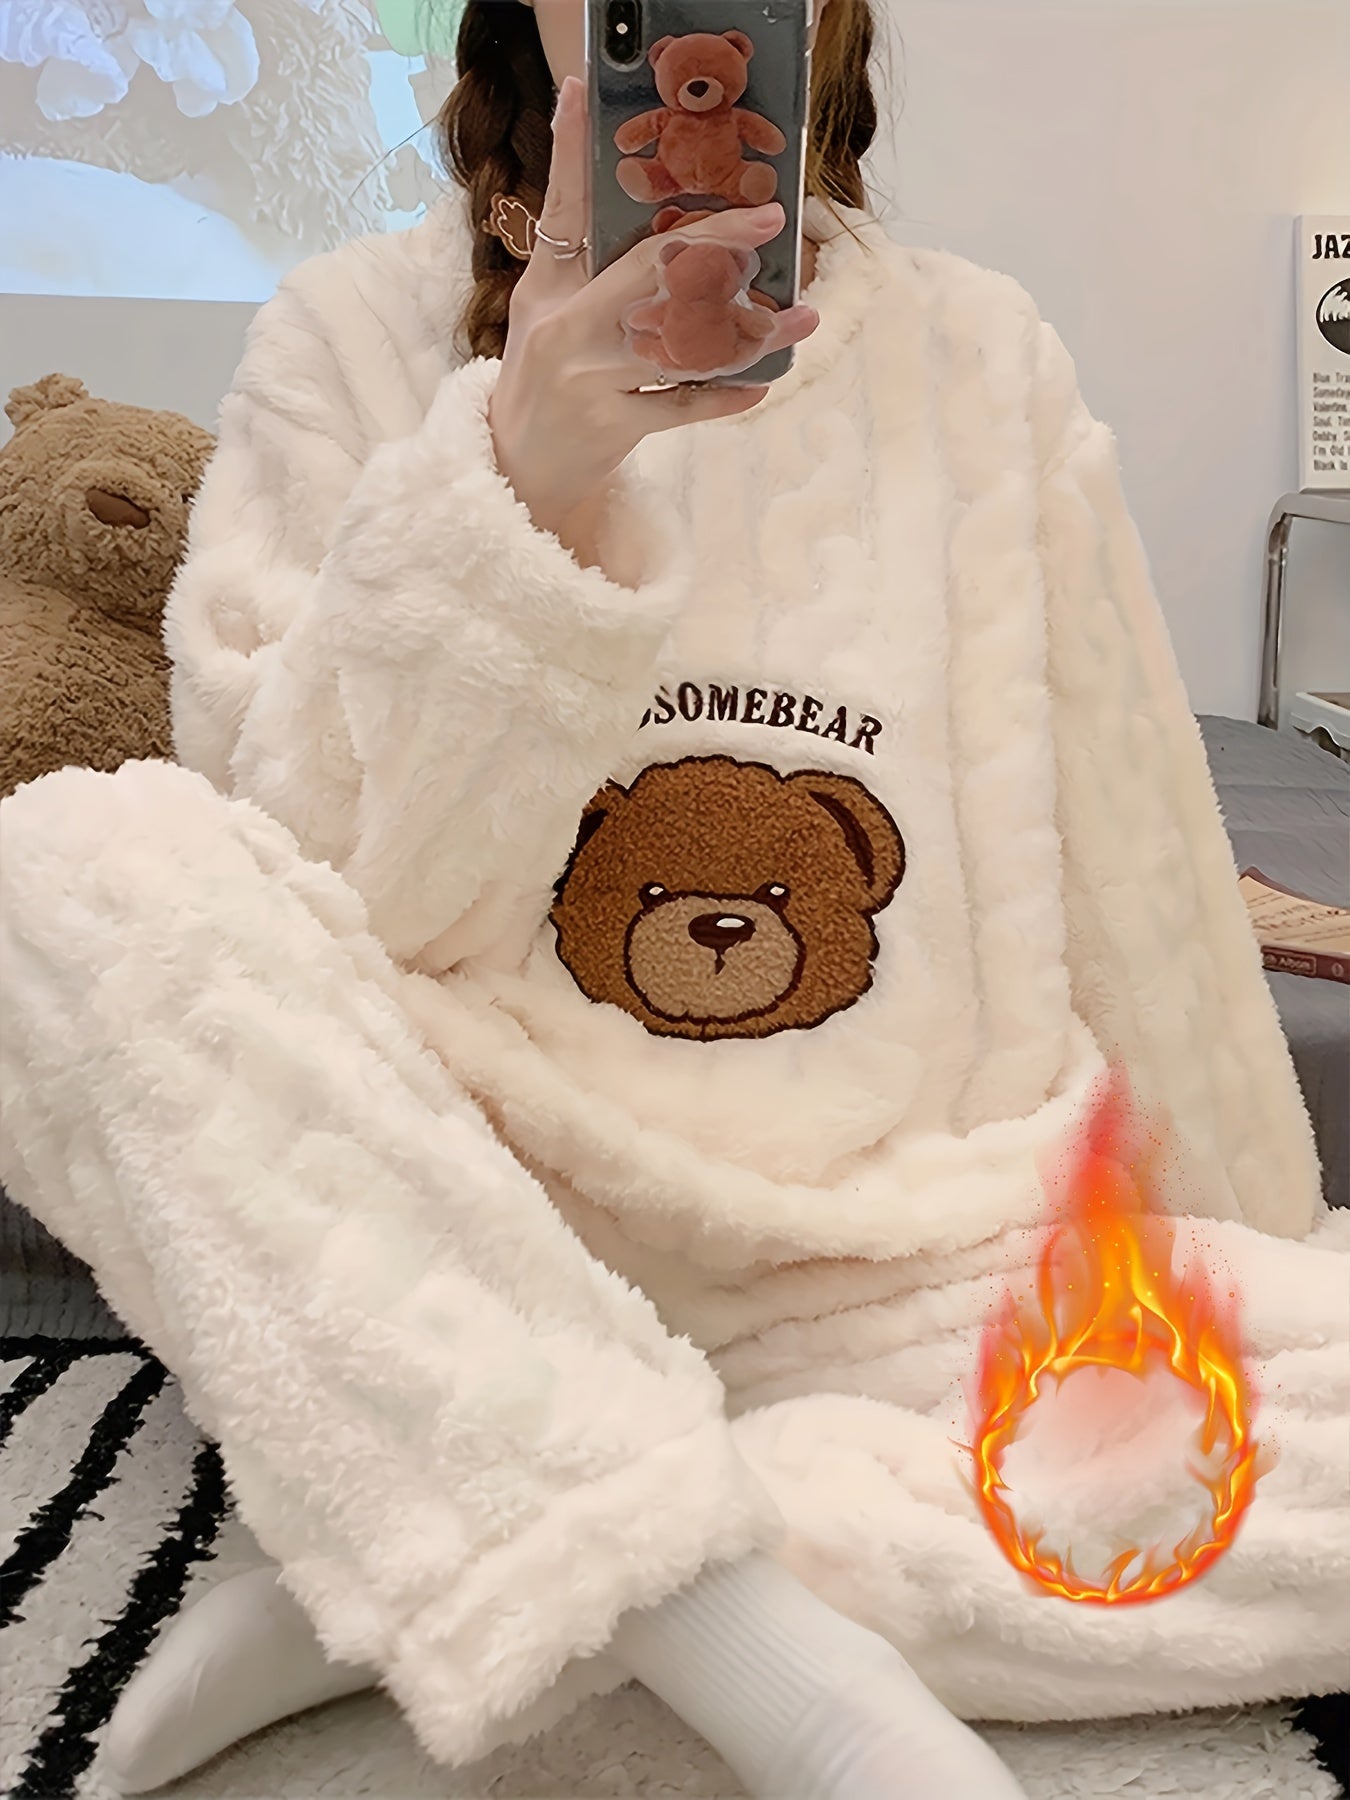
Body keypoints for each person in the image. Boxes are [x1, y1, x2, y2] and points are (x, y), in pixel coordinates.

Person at [3, 1, 1346, 1796]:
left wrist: (1252, 1256)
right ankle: (765, 1659)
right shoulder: (346, 334)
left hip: (907, 1276)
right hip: (469, 1239)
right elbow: (324, 906)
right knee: (68, 869)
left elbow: (1135, 845)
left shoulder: (974, 350)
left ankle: (478, 1544)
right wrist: (521, 478)